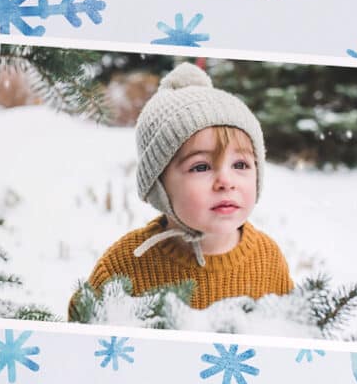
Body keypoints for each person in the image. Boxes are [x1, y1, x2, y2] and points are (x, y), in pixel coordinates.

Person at [71, 62, 293, 317]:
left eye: (240, 164)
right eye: (200, 167)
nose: (226, 181)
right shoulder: (126, 265)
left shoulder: (267, 260)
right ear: (159, 184)